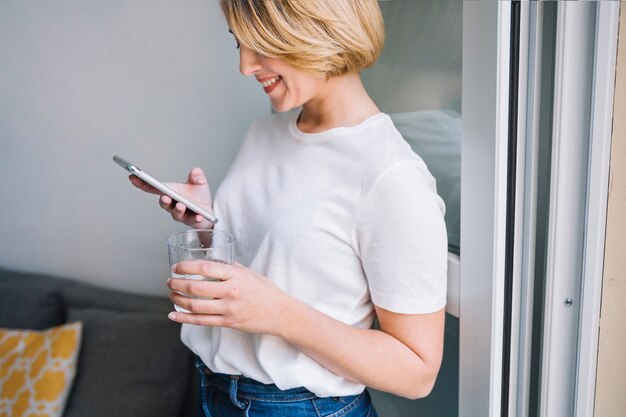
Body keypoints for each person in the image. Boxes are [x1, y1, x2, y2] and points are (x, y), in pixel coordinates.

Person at [130, 1, 448, 416]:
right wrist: (208, 225)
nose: (245, 65)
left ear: (319, 28)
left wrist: (279, 314)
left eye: (261, 43)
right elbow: (285, 263)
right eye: (239, 44)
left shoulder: (392, 177)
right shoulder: (266, 132)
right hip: (214, 389)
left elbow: (417, 373)